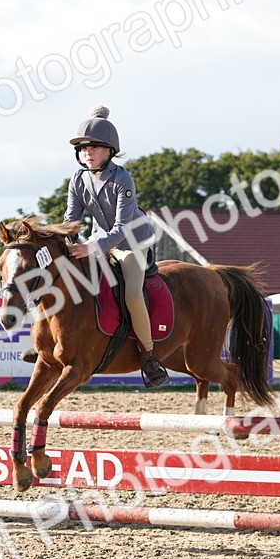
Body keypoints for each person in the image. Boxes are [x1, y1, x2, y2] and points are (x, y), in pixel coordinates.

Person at [64, 104, 167, 387]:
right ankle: (50, 343)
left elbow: (122, 228)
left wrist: (91, 248)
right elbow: (71, 220)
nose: (88, 152)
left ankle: (149, 356)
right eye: (83, 148)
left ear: (109, 151)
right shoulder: (78, 179)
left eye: (94, 148)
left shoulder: (122, 177)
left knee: (132, 295)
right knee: (66, 280)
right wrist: (69, 244)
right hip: (100, 241)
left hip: (132, 242)